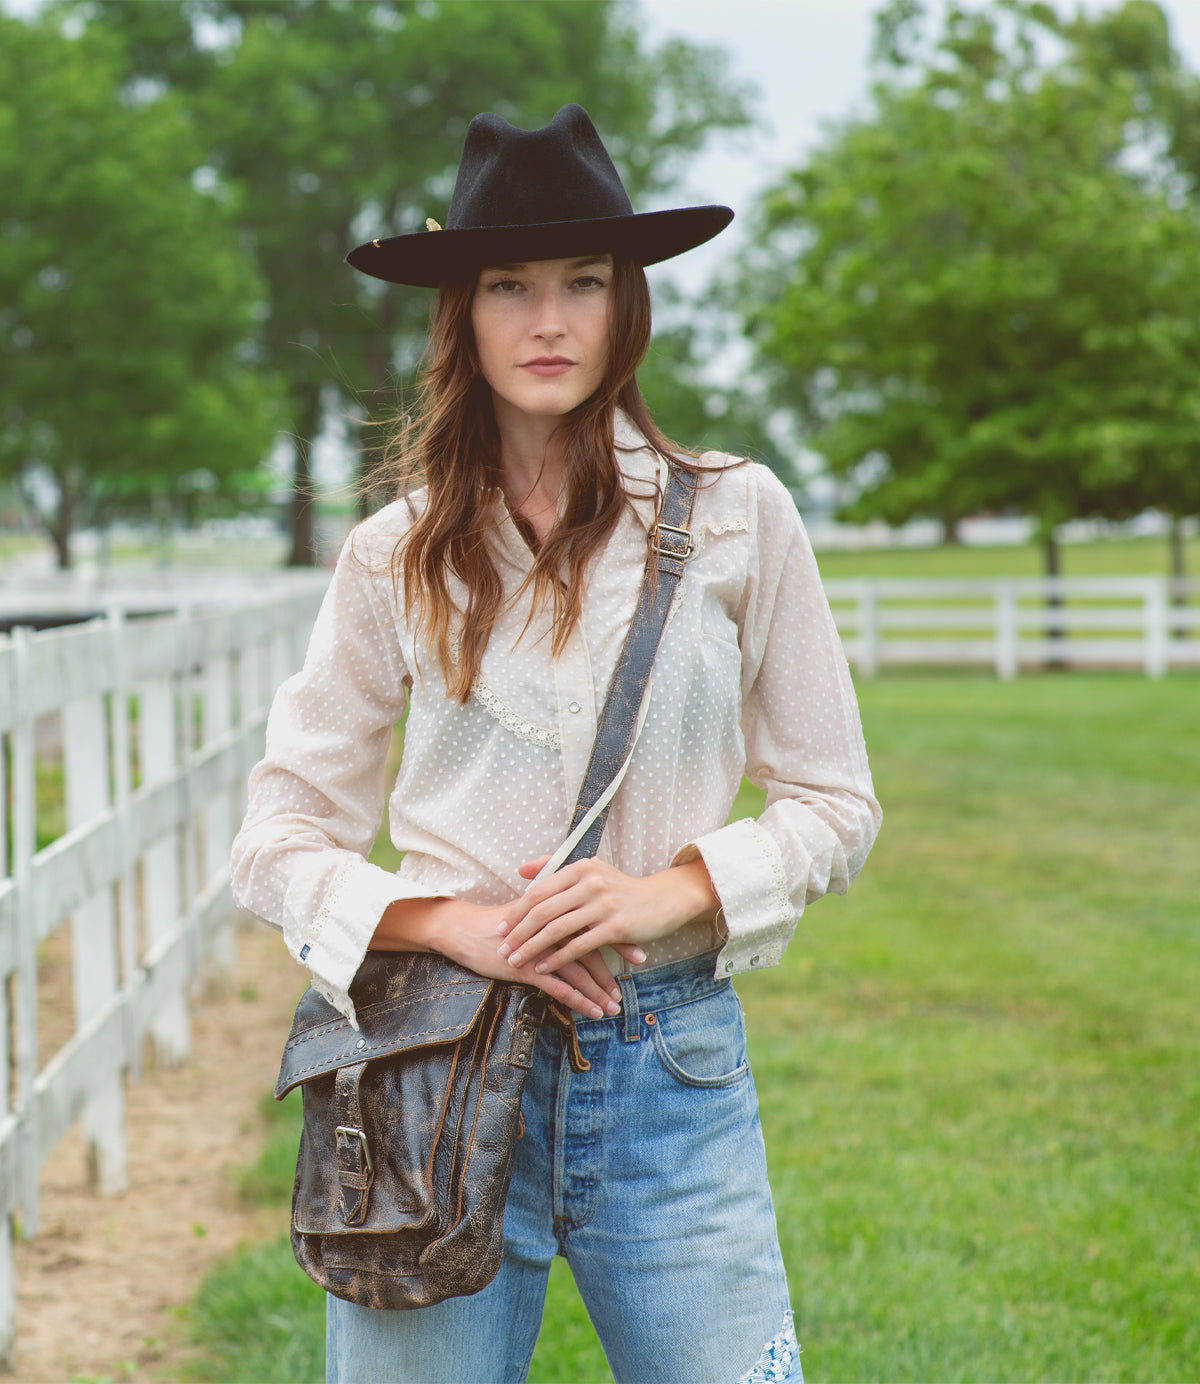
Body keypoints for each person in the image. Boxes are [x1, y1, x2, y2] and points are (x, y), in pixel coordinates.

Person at [231, 103, 880, 1384]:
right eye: (508, 285)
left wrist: (669, 889)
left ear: (626, 303)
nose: (547, 320)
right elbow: (277, 838)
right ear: (460, 314)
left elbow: (834, 799)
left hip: (669, 1071)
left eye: (583, 282)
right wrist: (450, 924)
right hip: (434, 1074)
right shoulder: (393, 555)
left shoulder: (741, 518)